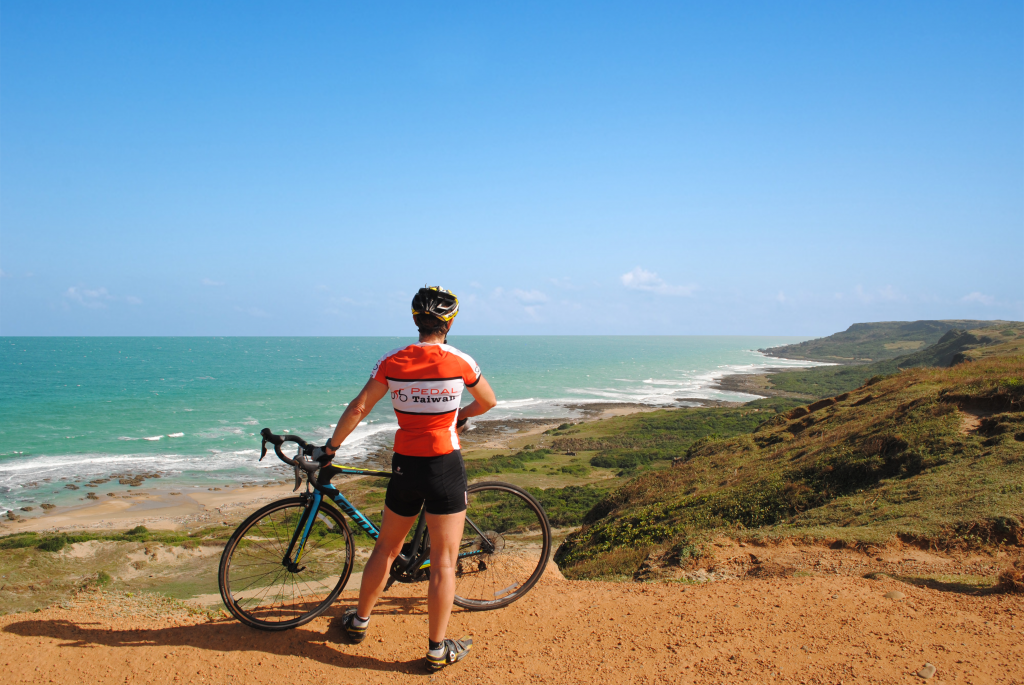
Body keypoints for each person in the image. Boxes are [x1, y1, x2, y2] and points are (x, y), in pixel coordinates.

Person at [318, 286, 497, 672]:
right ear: (449, 323)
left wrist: (331, 449)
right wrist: (458, 416)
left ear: (416, 320)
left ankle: (359, 621)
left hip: (405, 465)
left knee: (385, 547)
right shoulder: (461, 361)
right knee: (444, 562)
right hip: (444, 466)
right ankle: (436, 650)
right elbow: (488, 402)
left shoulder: (393, 361)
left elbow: (360, 406)